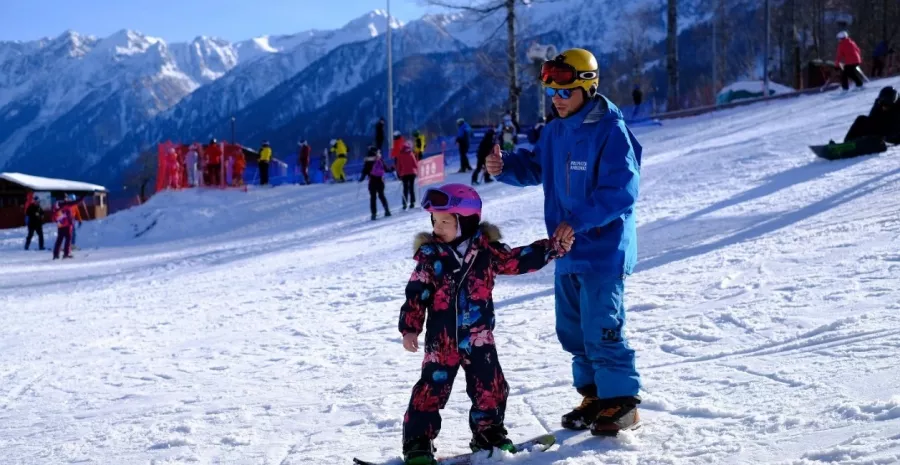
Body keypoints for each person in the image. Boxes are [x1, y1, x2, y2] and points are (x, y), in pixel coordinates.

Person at [486, 48, 643, 436]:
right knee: (572, 329)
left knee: (601, 325)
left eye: (565, 92)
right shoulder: (556, 131)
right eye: (552, 93)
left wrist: (576, 221)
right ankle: (593, 396)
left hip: (603, 250)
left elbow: (620, 190)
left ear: (587, 88)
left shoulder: (610, 129)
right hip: (567, 250)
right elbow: (538, 166)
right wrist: (506, 165)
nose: (557, 99)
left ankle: (621, 401)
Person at [399, 183, 570, 465]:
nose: (437, 227)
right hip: (441, 340)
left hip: (479, 337)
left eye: (445, 221)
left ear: (465, 222)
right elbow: (416, 294)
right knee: (430, 389)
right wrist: (410, 328)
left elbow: (519, 259)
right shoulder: (431, 258)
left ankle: (487, 434)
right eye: (434, 221)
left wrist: (552, 248)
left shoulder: (487, 252)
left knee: (490, 386)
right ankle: (418, 442)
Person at [359, 146, 392, 220]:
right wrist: (391, 169)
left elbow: (365, 170)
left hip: (372, 181)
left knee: (373, 198)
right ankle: (387, 210)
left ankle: (373, 214)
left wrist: (362, 178)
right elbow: (386, 169)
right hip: (380, 180)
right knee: (382, 195)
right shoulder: (379, 159)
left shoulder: (368, 160)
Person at [395, 141, 418, 210]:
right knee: (411, 188)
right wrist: (417, 171)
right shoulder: (411, 154)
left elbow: (398, 166)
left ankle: (404, 203)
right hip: (412, 173)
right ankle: (412, 202)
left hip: (404, 174)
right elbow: (415, 164)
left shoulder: (400, 155)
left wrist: (398, 174)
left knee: (405, 189)